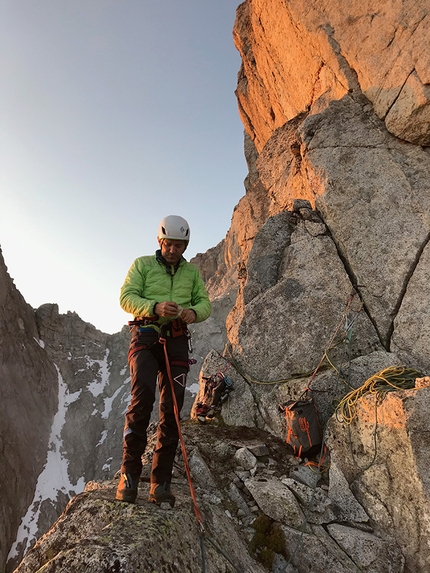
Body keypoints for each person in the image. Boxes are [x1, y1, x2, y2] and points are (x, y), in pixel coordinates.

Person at [116, 215, 211, 506]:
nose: (173, 250)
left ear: (185, 246)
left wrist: (192, 313)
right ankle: (129, 477)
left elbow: (204, 303)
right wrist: (154, 306)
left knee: (171, 409)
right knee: (141, 398)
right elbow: (126, 297)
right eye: (169, 244)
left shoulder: (192, 273)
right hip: (146, 335)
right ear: (160, 242)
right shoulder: (142, 265)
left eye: (179, 246)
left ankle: (160, 483)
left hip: (177, 339)